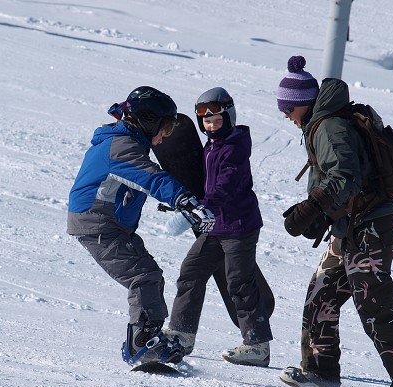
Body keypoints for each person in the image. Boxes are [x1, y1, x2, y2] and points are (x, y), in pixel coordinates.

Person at [276, 56, 393, 387]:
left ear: (301, 104)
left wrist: (313, 207)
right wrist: (321, 213)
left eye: (287, 110)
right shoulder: (321, 123)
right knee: (321, 297)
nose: (286, 117)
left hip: (370, 227)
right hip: (348, 228)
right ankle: (320, 371)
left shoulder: (329, 126)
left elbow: (344, 176)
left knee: (374, 306)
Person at [67, 86, 215, 367]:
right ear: (148, 121)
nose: (165, 136)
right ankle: (141, 344)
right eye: (166, 127)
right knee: (143, 276)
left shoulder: (124, 142)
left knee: (149, 275)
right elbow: (150, 177)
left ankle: (147, 338)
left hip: (109, 223)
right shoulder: (122, 147)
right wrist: (183, 199)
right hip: (98, 223)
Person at [163, 87, 274, 367]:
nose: (211, 126)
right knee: (191, 272)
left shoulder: (234, 147)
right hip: (215, 225)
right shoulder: (212, 146)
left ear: (229, 118)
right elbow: (206, 183)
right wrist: (186, 202)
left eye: (217, 121)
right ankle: (182, 332)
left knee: (239, 282)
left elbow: (225, 187)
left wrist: (202, 208)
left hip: (239, 227)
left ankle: (257, 345)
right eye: (206, 122)